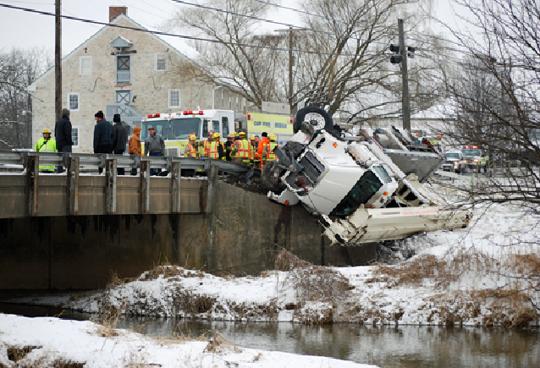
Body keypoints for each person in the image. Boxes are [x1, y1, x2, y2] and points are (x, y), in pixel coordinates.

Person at [54, 108, 73, 173]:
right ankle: (67, 172)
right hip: (66, 145)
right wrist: (70, 142)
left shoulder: (58, 122)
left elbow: (55, 134)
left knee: (60, 159)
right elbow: (68, 134)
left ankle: (59, 171)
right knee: (67, 159)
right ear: (68, 115)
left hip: (59, 144)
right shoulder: (67, 122)